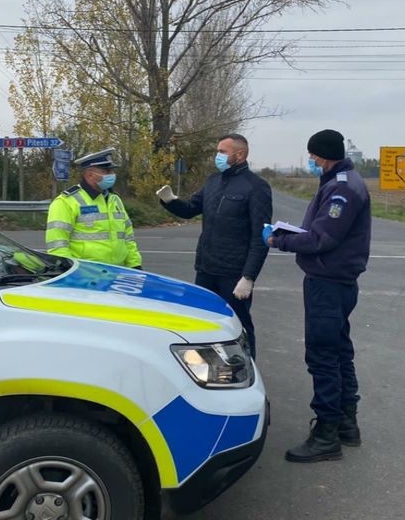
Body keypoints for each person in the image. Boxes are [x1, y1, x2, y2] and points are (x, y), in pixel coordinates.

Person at [265, 129, 371, 463]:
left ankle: (326, 434)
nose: (310, 160)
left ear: (323, 155)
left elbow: (321, 239)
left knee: (323, 355)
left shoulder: (342, 189)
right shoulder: (339, 182)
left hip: (328, 282)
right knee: (339, 351)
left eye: (312, 155)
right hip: (336, 280)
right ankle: (346, 425)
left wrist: (278, 240)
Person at [156, 134, 272, 358]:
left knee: (238, 326)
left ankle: (246, 367)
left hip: (233, 274)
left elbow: (260, 237)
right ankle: (208, 366)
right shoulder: (213, 182)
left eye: (222, 152)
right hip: (206, 269)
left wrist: (248, 277)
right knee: (203, 323)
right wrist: (170, 200)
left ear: (240, 155)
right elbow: (190, 209)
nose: (217, 156)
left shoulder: (256, 187)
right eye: (217, 151)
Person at [45, 147, 142, 269]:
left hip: (117, 272)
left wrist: (135, 265)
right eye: (106, 171)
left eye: (112, 171)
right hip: (86, 273)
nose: (112, 175)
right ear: (90, 175)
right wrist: (69, 270)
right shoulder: (66, 202)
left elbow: (128, 238)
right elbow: (57, 245)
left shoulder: (114, 199)